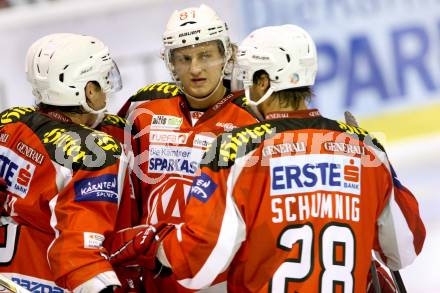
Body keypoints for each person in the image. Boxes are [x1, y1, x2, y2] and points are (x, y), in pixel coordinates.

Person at [107, 24, 426, 292]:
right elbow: (405, 248)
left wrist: (151, 245)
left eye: (247, 80)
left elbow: (198, 266)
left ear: (261, 82)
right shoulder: (365, 148)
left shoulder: (234, 151)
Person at [115, 4, 259, 292]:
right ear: (170, 61)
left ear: (225, 54)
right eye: (184, 58)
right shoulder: (142, 108)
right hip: (152, 278)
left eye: (205, 55)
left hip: (223, 279)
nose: (195, 69)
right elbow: (113, 184)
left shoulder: (254, 118)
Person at [0, 33, 134, 292]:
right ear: (88, 90)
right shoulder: (97, 150)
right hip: (47, 283)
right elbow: (80, 254)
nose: (106, 88)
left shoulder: (10, 122)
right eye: (102, 80)